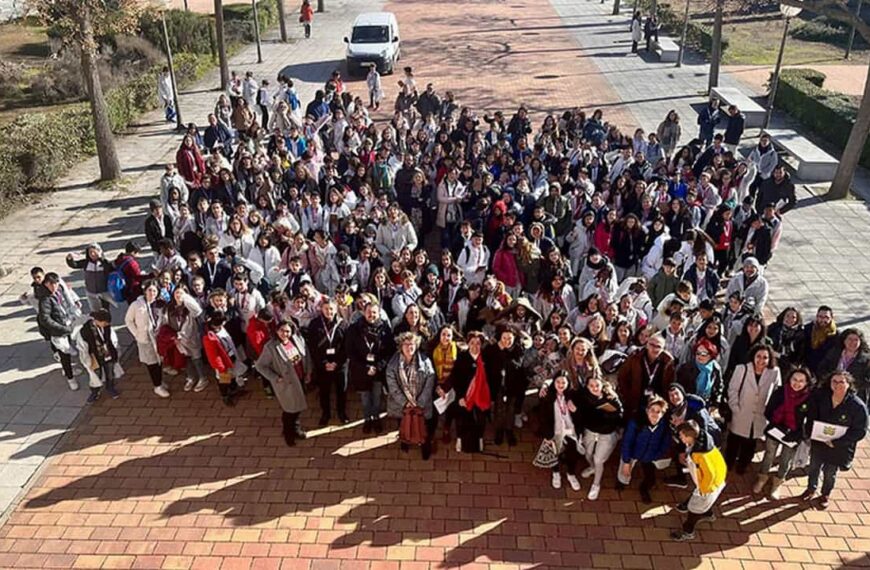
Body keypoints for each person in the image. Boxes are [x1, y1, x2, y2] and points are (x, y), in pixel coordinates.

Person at [801, 371, 869, 509]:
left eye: (841, 382)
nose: (837, 385)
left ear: (849, 384)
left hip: (838, 448)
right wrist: (810, 433)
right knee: (814, 467)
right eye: (834, 381)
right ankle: (810, 488)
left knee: (830, 472)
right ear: (829, 383)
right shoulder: (821, 397)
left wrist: (837, 442)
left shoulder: (857, 406)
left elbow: (859, 431)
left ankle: (825, 494)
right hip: (819, 442)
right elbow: (811, 415)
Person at [755, 367, 813, 498]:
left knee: (786, 459)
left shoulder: (810, 399)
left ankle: (778, 482)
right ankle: (762, 477)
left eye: (801, 381)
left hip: (794, 434)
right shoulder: (780, 392)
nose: (797, 383)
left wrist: (799, 434)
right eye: (794, 379)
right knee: (769, 454)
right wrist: (777, 425)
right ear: (789, 379)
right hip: (776, 430)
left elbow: (810, 420)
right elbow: (769, 410)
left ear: (806, 383)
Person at [255, 319, 311, 446]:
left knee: (297, 408)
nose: (284, 334)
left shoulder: (297, 340)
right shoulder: (271, 347)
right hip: (286, 384)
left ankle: (296, 429)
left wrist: (308, 372)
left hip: (300, 379)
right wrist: (275, 377)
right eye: (281, 330)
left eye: (287, 331)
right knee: (289, 410)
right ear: (276, 331)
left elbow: (306, 356)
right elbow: (260, 366)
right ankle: (288, 433)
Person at [725, 345, 781, 473]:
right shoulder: (742, 369)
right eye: (758, 356)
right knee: (734, 442)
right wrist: (735, 407)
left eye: (765, 357)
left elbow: (777, 391)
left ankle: (742, 465)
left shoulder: (774, 372)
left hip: (760, 415)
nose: (761, 360)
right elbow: (732, 389)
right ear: (753, 356)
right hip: (741, 412)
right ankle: (728, 464)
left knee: (750, 444)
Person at [670, 420, 727, 541]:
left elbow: (710, 474)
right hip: (717, 479)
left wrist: (703, 489)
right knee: (704, 503)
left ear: (689, 437)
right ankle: (707, 513)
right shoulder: (704, 440)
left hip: (709, 486)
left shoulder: (700, 455)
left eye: (681, 435)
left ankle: (688, 531)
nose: (679, 437)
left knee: (694, 508)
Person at [346, 297, 395, 434]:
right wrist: (365, 367)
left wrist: (378, 366)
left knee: (377, 396)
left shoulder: (385, 328)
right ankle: (367, 419)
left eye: (374, 312)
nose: (371, 315)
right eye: (369, 312)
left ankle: (376, 418)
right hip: (361, 371)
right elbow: (350, 352)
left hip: (378, 371)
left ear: (379, 313)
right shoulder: (354, 329)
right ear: (364, 312)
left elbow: (389, 351)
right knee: (365, 398)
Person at [386, 332, 436, 459]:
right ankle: (405, 441)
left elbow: (430, 380)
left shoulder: (425, 361)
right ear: (401, 347)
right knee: (403, 424)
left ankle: (425, 445)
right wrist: (404, 402)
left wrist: (420, 401)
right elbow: (392, 386)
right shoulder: (393, 364)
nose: (409, 347)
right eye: (406, 344)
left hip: (421, 403)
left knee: (424, 427)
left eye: (412, 344)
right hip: (402, 404)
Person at [618, 396, 671, 503]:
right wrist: (627, 462)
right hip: (634, 452)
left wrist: (656, 456)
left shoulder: (664, 426)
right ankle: (621, 482)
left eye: (658, 412)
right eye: (652, 410)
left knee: (651, 480)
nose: (655, 414)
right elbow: (627, 443)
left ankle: (643, 489)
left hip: (650, 455)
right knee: (624, 471)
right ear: (647, 410)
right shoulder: (636, 423)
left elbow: (665, 444)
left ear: (663, 414)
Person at [578, 376, 623, 500]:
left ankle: (596, 484)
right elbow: (581, 415)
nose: (594, 388)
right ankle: (592, 467)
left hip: (606, 433)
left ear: (602, 385)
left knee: (599, 459)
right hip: (590, 431)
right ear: (587, 387)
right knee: (587, 453)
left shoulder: (612, 399)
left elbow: (620, 416)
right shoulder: (585, 398)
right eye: (591, 386)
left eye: (597, 385)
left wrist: (608, 414)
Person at [307, 299, 349, 426]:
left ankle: (341, 412)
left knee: (341, 390)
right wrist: (324, 363)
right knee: (324, 391)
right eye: (326, 309)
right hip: (322, 364)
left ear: (336, 310)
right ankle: (326, 413)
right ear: (321, 310)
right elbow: (313, 347)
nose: (329, 311)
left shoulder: (344, 324)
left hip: (340, 364)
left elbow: (347, 347)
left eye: (331, 309)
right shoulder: (314, 324)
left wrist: (337, 362)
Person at [538, 371, 583, 491]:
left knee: (572, 452)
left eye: (564, 382)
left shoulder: (573, 396)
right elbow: (543, 418)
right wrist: (547, 435)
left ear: (568, 383)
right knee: (555, 452)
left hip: (570, 430)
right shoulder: (548, 397)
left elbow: (581, 416)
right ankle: (556, 472)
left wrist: (575, 410)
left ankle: (571, 473)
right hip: (555, 431)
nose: (561, 385)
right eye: (558, 382)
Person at [36, 272, 80, 390]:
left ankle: (70, 370)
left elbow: (66, 299)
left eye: (56, 283)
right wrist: (62, 328)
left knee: (69, 349)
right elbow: (45, 319)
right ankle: (70, 378)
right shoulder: (45, 299)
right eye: (52, 284)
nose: (54, 286)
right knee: (64, 354)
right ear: (46, 284)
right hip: (58, 331)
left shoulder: (58, 291)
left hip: (66, 324)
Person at [448, 331, 491, 453]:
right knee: (461, 418)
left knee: (481, 419)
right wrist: (460, 396)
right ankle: (460, 438)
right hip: (465, 395)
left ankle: (480, 439)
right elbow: (455, 378)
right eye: (472, 343)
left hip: (481, 395)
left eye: (478, 343)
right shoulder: (462, 357)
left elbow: (491, 378)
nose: (475, 346)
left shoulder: (486, 358)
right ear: (468, 344)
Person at [617, 334, 675, 421]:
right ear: (647, 344)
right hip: (636, 399)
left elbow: (670, 383)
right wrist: (627, 395)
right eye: (652, 345)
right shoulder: (635, 357)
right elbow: (622, 376)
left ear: (663, 349)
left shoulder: (668, 361)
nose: (654, 349)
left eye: (658, 346)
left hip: (656, 402)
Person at [125, 280, 168, 398]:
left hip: (158, 338)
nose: (152, 293)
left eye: (154, 291)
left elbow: (164, 319)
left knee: (159, 361)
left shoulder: (160, 304)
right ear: (144, 291)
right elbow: (128, 320)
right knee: (152, 363)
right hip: (145, 339)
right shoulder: (136, 305)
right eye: (149, 290)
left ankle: (159, 381)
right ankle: (157, 386)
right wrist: (136, 334)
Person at [73, 309, 122, 403]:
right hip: (94, 356)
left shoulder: (106, 327)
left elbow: (113, 339)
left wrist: (115, 350)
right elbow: (83, 347)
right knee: (95, 374)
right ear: (97, 320)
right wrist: (87, 361)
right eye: (104, 323)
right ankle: (95, 392)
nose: (106, 325)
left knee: (109, 372)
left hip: (107, 353)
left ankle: (110, 387)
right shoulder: (85, 331)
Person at [818, 328, 870, 405]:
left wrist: (849, 384)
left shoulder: (866, 359)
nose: (852, 342)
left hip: (855, 396)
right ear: (844, 340)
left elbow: (868, 381)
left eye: (856, 340)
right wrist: (831, 381)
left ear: (860, 342)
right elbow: (821, 369)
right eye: (849, 339)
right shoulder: (834, 353)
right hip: (832, 392)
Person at [65, 244, 115, 312]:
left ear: (99, 252)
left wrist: (101, 259)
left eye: (94, 252)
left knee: (105, 311)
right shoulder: (86, 263)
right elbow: (74, 264)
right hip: (91, 292)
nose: (92, 254)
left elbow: (112, 270)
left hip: (104, 292)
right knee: (95, 312)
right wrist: (69, 259)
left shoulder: (104, 263)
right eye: (90, 252)